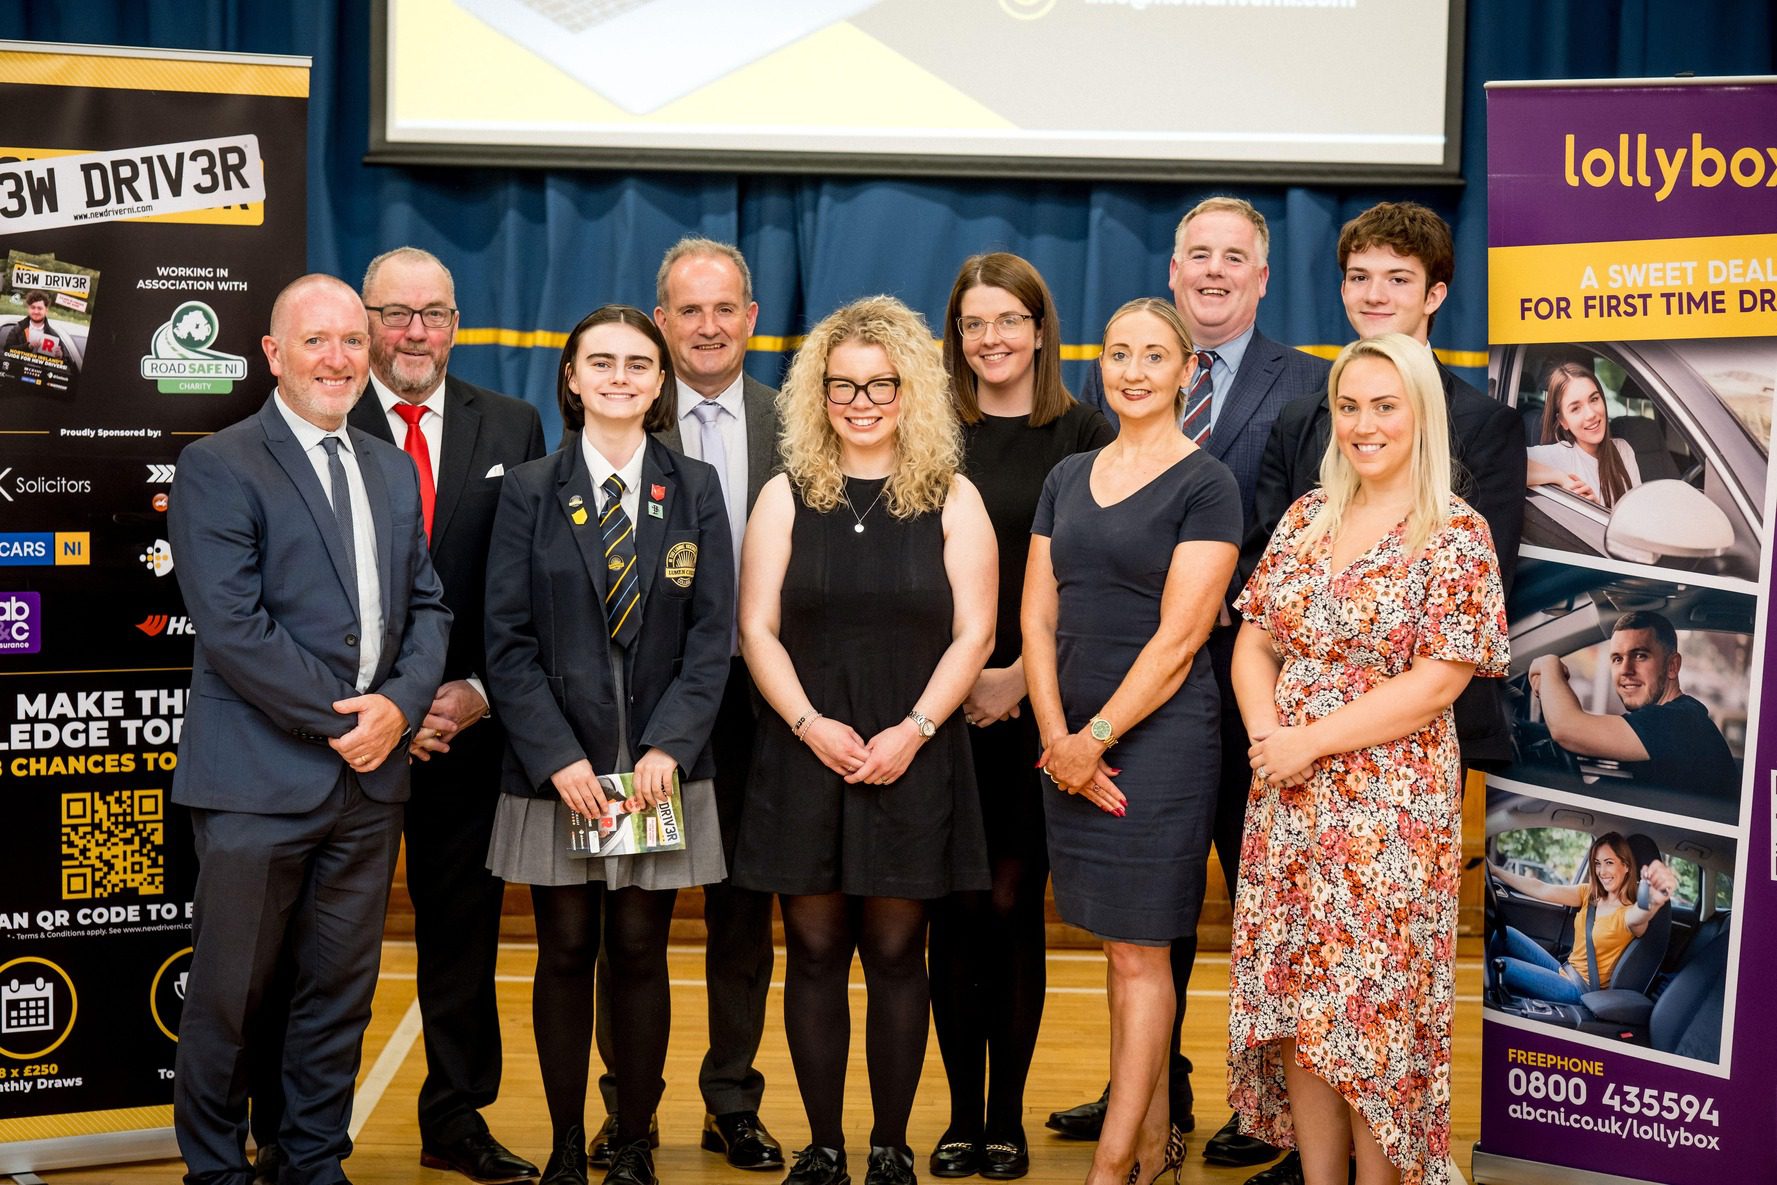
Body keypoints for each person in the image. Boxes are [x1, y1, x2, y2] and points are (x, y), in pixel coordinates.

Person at [1059, 197, 1327, 1174]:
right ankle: (1149, 1105)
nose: (1213, 271)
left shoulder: (1314, 389)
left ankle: (1269, 1116)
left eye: (1235, 258)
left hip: (1261, 699)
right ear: (1172, 274)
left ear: (1262, 277)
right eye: (1196, 255)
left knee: (1264, 916)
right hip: (1133, 698)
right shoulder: (1111, 415)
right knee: (1140, 923)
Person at [167, 274, 452, 1185]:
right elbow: (234, 627)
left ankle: (312, 1161)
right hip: (257, 783)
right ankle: (214, 1170)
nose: (337, 358)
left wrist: (401, 708)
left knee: (337, 996)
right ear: (273, 355)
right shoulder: (221, 463)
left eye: (349, 342)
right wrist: (351, 722)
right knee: (232, 996)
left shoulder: (385, 464)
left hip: (368, 791)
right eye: (315, 341)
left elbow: (428, 606)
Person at [1229, 333, 1509, 1185]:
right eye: (1349, 406)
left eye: (1384, 405)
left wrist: (1306, 741)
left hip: (1387, 815)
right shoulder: (1307, 512)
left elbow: (1436, 683)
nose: (1363, 423)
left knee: (1376, 1024)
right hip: (1289, 801)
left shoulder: (1455, 532)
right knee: (1309, 1017)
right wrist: (1268, 741)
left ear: (1420, 411)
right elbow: (1254, 642)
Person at [731, 295, 996, 1185]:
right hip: (806, 753)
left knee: (893, 953)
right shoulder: (784, 494)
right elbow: (755, 629)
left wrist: (915, 730)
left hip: (911, 755)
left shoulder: (953, 497)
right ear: (817, 393)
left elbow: (976, 634)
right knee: (811, 952)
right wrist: (808, 723)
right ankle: (823, 1146)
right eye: (841, 384)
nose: (861, 399)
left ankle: (887, 1144)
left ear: (911, 388)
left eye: (880, 383)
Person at [483, 305, 735, 1185]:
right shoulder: (526, 489)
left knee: (638, 948)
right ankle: (561, 1146)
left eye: (638, 363)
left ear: (660, 382)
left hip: (659, 769)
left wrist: (668, 745)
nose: (620, 376)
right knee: (563, 950)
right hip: (562, 771)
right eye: (602, 362)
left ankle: (632, 1139)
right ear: (572, 378)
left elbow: (713, 637)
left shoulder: (696, 488)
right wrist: (559, 759)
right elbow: (505, 640)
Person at [1024, 298, 1242, 1185]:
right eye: (1119, 353)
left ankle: (1111, 1167)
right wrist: (1054, 736)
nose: (1134, 370)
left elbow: (1181, 637)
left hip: (1155, 741)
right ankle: (1152, 1146)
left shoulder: (1207, 483)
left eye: (1155, 355)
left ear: (1187, 370)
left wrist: (1097, 735)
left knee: (1140, 948)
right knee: (1115, 948)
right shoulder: (1067, 474)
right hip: (1064, 742)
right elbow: (1037, 615)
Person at [582, 238, 785, 1174]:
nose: (709, 326)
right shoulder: (614, 419)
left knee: (744, 915)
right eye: (688, 311)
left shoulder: (799, 423)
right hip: (645, 717)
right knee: (633, 918)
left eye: (726, 307)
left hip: (767, 708)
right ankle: (628, 1110)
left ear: (750, 317)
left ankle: (731, 1100)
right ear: (660, 326)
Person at [354, 246, 546, 1182]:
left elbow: (526, 588)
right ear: (363, 320)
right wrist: (382, 706)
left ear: (457, 322)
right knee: (322, 940)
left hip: (464, 732)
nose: (415, 332)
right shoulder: (320, 413)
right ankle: (295, 1124)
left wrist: (472, 691)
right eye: (395, 314)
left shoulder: (510, 423)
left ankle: (455, 1120)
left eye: (432, 313)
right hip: (342, 734)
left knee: (462, 938)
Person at [927, 253, 1114, 1182]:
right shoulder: (928, 431)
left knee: (1009, 907)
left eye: (1007, 320)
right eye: (972, 323)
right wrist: (944, 686)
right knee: (951, 910)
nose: (989, 339)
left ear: (1041, 329)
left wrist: (1013, 680)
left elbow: (1101, 577)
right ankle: (960, 1117)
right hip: (934, 713)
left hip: (1035, 705)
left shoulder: (1085, 433)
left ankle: (1006, 1119)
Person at [1529, 611, 1738, 800]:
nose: (1626, 670)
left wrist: (1548, 663)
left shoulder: (1679, 722)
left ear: (1672, 666)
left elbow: (1567, 728)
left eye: (1640, 656)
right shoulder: (1671, 719)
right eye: (1617, 659)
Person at [1488, 833, 1679, 1002]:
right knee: (1505, 934)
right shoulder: (1590, 894)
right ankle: (1493, 992)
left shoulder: (1628, 914)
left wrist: (1654, 901)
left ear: (1626, 866)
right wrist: (1495, 870)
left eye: (1609, 863)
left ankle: (1486, 1003)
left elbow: (1641, 915)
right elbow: (1543, 888)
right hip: (1565, 970)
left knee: (1505, 967)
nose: (1602, 872)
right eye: (1598, 863)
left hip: (1579, 989)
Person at [1525, 361, 1639, 507]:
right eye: (1575, 408)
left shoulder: (1623, 449)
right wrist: (1560, 478)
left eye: (1594, 399)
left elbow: (1637, 515)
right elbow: (1498, 462)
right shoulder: (1561, 456)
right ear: (1563, 421)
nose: (1591, 414)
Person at [2, 289, 78, 373]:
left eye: (39, 308)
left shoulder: (53, 335)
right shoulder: (18, 329)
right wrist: (28, 346)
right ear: (28, 309)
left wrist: (60, 356)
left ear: (46, 310)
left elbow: (66, 364)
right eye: (33, 307)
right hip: (16, 375)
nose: (36, 311)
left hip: (41, 380)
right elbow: (7, 350)